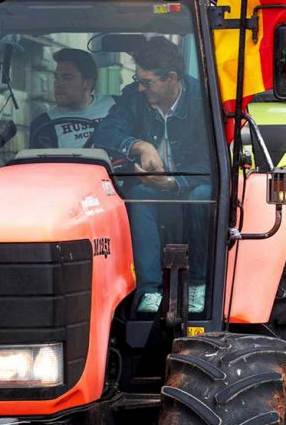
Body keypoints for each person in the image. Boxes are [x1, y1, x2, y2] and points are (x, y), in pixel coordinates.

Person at [91, 37, 212, 315]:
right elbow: (105, 132)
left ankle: (199, 283)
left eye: (147, 82)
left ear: (171, 78)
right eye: (138, 80)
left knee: (203, 197)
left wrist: (173, 182)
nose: (141, 88)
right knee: (137, 196)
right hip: (151, 187)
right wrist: (139, 145)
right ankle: (149, 289)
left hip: (193, 182)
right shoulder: (134, 96)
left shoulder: (203, 98)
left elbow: (210, 161)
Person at [30, 49, 115, 148]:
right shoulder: (43, 125)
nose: (58, 84)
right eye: (56, 77)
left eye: (67, 78)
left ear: (87, 83)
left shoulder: (115, 105)